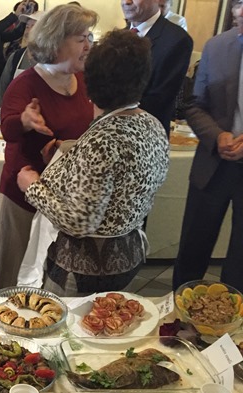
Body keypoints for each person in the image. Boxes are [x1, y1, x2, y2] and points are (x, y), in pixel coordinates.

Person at [17, 29, 169, 295]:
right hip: (129, 253)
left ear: (92, 82)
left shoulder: (101, 141)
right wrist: (68, 156)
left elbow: (78, 222)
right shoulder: (152, 125)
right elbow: (122, 176)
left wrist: (32, 186)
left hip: (85, 269)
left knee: (75, 322)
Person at [0, 3, 97, 291]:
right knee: (10, 272)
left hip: (64, 195)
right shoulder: (26, 84)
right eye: (81, 39)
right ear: (56, 42)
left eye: (89, 37)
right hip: (23, 194)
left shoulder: (83, 80)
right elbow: (7, 128)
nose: (88, 46)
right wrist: (25, 121)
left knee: (52, 274)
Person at [173, 0, 243, 292]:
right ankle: (180, 310)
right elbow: (194, 104)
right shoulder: (216, 47)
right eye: (239, 5)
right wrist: (217, 136)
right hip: (213, 163)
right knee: (193, 249)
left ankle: (235, 316)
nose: (240, 12)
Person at [122, 0, 193, 136]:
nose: (126, 2)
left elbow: (159, 99)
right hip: (111, 132)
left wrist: (113, 111)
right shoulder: (119, 36)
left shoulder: (176, 39)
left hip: (147, 136)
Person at [0, 9, 43, 125]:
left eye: (33, 26)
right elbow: (2, 89)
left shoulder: (51, 61)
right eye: (27, 27)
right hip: (12, 118)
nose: (28, 31)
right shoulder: (16, 57)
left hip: (40, 121)